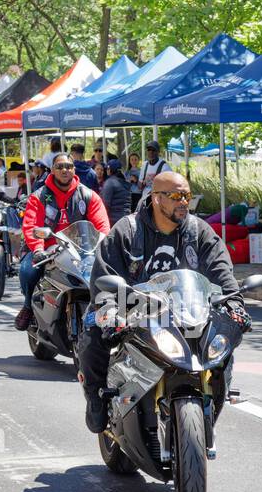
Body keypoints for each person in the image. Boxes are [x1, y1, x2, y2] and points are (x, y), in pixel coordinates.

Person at [79, 170, 250, 432]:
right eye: (176, 196)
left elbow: (221, 273)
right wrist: (110, 311)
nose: (184, 202)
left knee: (224, 342)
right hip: (133, 309)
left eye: (187, 196)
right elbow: (104, 279)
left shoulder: (198, 231)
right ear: (156, 198)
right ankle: (97, 400)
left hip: (187, 313)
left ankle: (214, 399)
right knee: (92, 337)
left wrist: (234, 304)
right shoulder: (127, 230)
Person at [14, 152, 110, 331]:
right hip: (47, 249)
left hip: (80, 250)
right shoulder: (39, 196)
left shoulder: (89, 196)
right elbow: (31, 226)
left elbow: (102, 227)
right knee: (28, 271)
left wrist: (103, 247)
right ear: (52, 170)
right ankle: (28, 306)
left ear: (74, 170)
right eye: (60, 167)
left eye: (68, 166)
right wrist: (37, 249)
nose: (65, 170)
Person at [101, 157, 132, 225]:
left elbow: (105, 204)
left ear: (110, 170)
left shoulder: (109, 182)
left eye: (107, 168)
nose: (106, 170)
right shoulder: (125, 182)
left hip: (114, 221)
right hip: (127, 219)